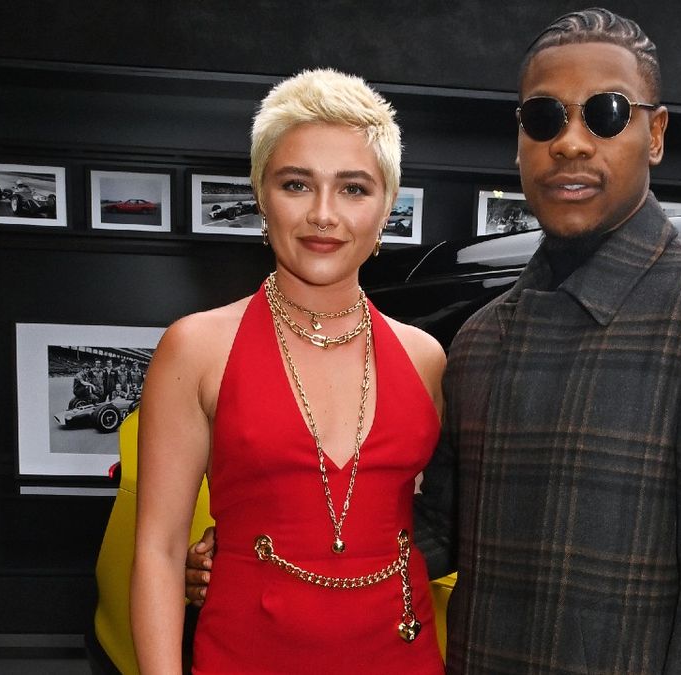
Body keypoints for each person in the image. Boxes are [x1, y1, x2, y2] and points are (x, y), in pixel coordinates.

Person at [189, 8, 681, 673]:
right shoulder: (483, 340)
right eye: (544, 118)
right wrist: (275, 552)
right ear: (519, 140)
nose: (571, 142)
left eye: (604, 112)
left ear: (654, 133)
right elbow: (437, 529)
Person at [132, 68, 447, 674]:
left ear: (387, 206)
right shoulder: (197, 347)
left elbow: (443, 521)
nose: (323, 215)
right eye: (297, 184)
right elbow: (160, 550)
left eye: (354, 188)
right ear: (260, 193)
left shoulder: (425, 358)